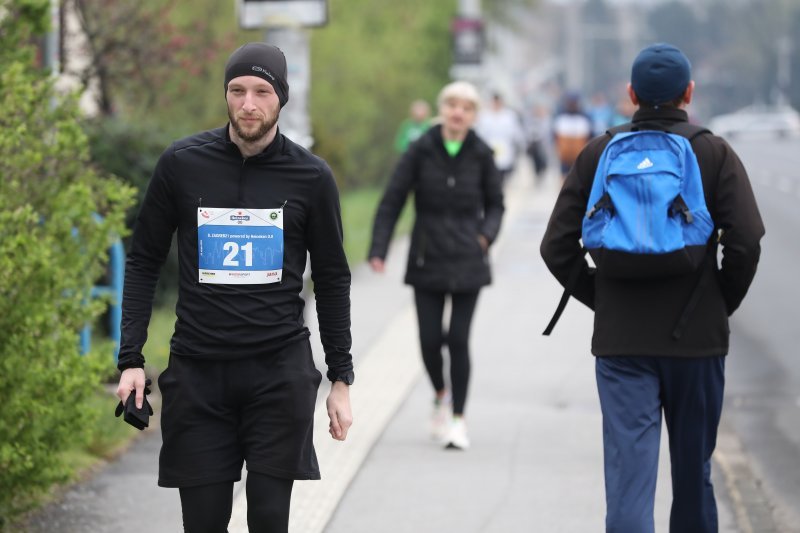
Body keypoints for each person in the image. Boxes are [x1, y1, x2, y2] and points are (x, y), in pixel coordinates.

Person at [115, 42, 354, 533]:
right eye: (237, 90)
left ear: (281, 98)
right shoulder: (182, 164)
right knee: (203, 524)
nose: (249, 103)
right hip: (199, 373)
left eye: (262, 91)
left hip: (278, 373)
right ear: (225, 94)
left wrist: (340, 378)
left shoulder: (310, 177)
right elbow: (142, 261)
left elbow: (331, 278)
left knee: (269, 519)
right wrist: (131, 359)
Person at [540, 43, 764, 532]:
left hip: (622, 345)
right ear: (689, 92)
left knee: (628, 481)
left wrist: (603, 297)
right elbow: (746, 240)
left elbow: (555, 246)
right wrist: (720, 301)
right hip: (698, 343)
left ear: (631, 94)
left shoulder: (599, 152)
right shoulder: (713, 151)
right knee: (693, 476)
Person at [368, 81, 504, 450]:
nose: (458, 112)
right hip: (426, 257)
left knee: (458, 339)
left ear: (474, 115)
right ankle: (441, 394)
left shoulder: (480, 153)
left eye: (466, 107)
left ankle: (459, 419)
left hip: (468, 259)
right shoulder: (420, 149)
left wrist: (485, 236)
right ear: (441, 109)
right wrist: (378, 248)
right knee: (430, 340)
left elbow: (496, 204)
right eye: (452, 105)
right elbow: (392, 200)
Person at [475, 92, 527, 184]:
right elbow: (479, 133)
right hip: (488, 150)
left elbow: (516, 133)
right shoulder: (484, 116)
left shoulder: (509, 116)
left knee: (501, 177)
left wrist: (521, 145)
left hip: (505, 151)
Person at [551, 91, 593, 180]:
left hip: (580, 156)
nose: (572, 105)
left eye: (574, 102)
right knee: (564, 177)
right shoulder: (560, 117)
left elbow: (590, 137)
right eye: (570, 102)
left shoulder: (584, 118)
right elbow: (555, 137)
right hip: (564, 156)